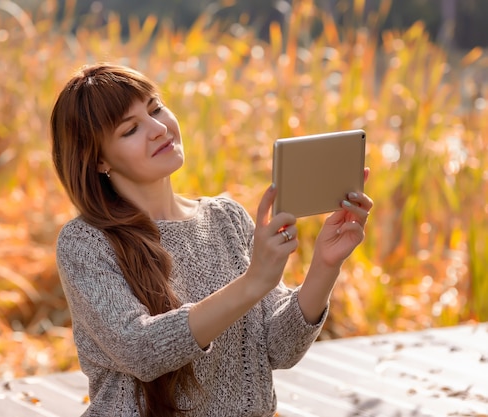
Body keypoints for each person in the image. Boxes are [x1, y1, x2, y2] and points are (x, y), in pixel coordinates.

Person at [50, 62, 373, 417]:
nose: (158, 129)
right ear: (98, 160)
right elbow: (140, 350)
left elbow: (279, 348)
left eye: (156, 108)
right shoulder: (86, 242)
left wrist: (326, 265)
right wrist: (252, 283)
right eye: (130, 129)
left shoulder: (225, 217)